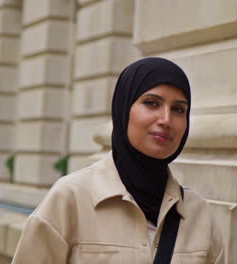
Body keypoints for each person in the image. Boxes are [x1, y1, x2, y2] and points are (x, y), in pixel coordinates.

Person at [11, 57, 224, 263]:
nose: (166, 120)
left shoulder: (197, 212)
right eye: (151, 103)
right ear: (123, 109)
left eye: (178, 109)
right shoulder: (71, 198)